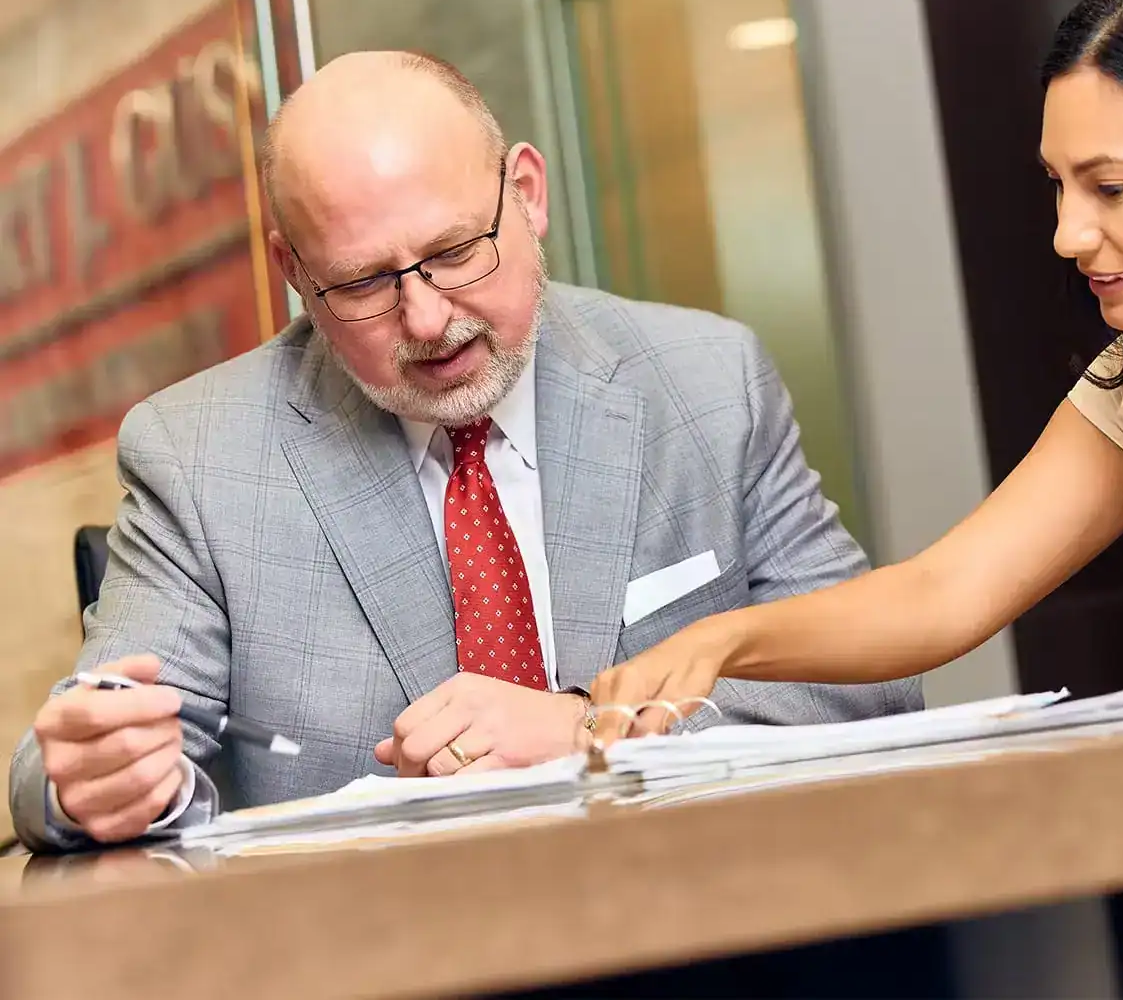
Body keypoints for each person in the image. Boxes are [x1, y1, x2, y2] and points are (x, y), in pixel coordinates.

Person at [8, 51, 918, 852]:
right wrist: (89, 780)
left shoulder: (706, 384)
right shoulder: (201, 457)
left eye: (454, 252)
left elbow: (867, 689)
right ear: (294, 273)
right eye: (364, 281)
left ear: (526, 195)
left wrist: (586, 733)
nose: (428, 319)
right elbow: (75, 753)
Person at [590, 0, 1123, 735]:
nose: (1068, 234)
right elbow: (944, 593)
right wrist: (724, 639)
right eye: (1057, 186)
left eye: (1109, 188)